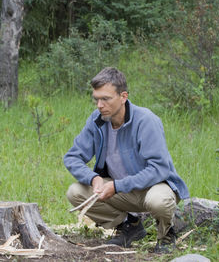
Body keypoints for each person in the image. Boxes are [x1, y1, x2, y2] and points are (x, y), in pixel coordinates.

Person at [64, 67, 189, 253]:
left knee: (159, 200)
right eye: (96, 99)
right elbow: (72, 157)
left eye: (105, 99)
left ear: (123, 97)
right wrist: (93, 178)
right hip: (121, 191)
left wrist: (117, 186)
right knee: (75, 192)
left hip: (154, 187)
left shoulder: (146, 120)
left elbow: (158, 169)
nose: (99, 105)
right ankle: (129, 226)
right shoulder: (96, 120)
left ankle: (166, 235)